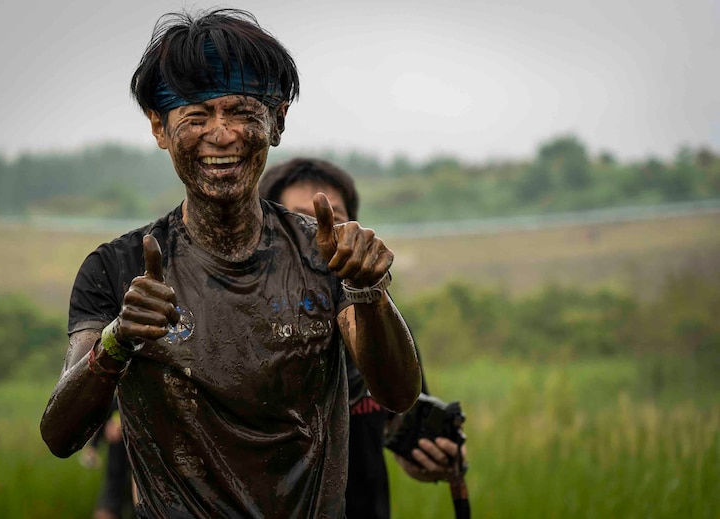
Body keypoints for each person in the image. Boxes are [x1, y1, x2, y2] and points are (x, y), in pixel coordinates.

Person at [39, 8, 421, 519]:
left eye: (242, 111)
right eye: (196, 116)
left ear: (277, 121)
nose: (221, 135)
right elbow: (61, 435)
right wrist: (118, 340)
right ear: (159, 126)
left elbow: (397, 392)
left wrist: (368, 293)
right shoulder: (118, 268)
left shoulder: (322, 256)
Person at [259, 157, 467, 519]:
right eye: (299, 219)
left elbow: (403, 421)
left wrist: (433, 457)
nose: (318, 233)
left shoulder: (382, 323)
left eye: (333, 220)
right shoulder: (247, 323)